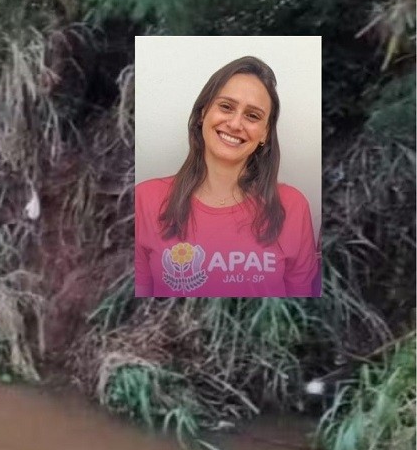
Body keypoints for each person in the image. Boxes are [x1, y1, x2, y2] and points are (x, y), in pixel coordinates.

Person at [134, 56, 319, 298]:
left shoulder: (292, 206)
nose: (235, 123)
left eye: (252, 116)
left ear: (265, 133)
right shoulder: (145, 199)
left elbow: (298, 315)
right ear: (202, 113)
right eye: (226, 107)